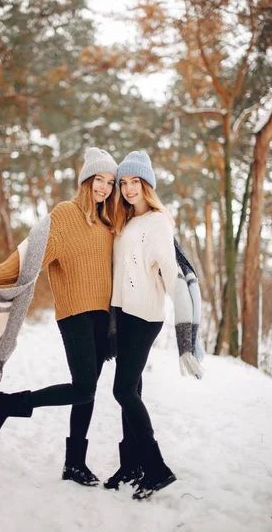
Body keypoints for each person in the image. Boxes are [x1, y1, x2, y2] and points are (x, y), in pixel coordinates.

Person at [0, 148, 117, 487]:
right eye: (100, 180)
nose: (105, 188)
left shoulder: (108, 222)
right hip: (75, 315)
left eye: (110, 182)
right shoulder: (65, 215)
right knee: (83, 388)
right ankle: (6, 403)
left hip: (102, 316)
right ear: (86, 180)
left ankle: (74, 465)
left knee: (89, 391)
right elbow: (29, 250)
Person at [103, 150, 178, 501]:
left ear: (147, 184)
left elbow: (171, 269)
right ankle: (131, 464)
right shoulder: (129, 220)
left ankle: (156, 467)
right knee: (133, 387)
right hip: (125, 314)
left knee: (123, 391)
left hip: (144, 316)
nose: (129, 188)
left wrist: (187, 322)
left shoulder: (159, 221)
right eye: (124, 182)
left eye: (136, 182)